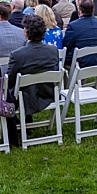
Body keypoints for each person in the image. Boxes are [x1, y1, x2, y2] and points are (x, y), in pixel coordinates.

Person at [6, 14, 61, 145]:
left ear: (25, 32)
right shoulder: (53, 50)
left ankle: (12, 129)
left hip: (26, 98)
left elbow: (10, 79)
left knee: (7, 90)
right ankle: (25, 120)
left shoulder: (18, 55)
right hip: (48, 94)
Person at [63, 0, 97, 69]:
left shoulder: (73, 26)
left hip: (79, 61)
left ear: (80, 11)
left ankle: (66, 79)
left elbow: (66, 45)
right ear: (93, 10)